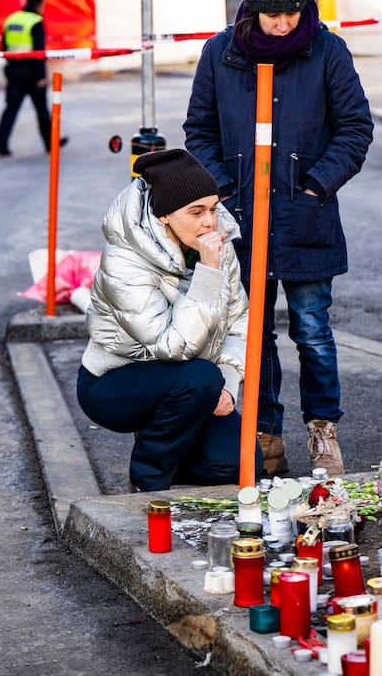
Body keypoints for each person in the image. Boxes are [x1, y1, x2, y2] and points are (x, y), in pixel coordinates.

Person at [184, 0, 373, 477]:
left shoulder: (327, 51)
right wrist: (222, 190)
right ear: (253, 9)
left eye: (293, 12)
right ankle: (265, 437)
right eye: (274, 14)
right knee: (255, 335)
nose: (285, 23)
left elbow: (355, 128)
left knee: (313, 330)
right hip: (243, 221)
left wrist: (317, 184)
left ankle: (322, 433)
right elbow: (200, 131)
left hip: (307, 218)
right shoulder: (221, 55)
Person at [76, 148, 259, 492]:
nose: (210, 221)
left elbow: (240, 322)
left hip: (191, 383)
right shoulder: (124, 262)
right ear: (164, 216)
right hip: (114, 382)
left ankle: (174, 440)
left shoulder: (216, 245)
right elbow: (172, 346)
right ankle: (147, 480)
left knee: (239, 464)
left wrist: (230, 387)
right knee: (200, 377)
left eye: (213, 208)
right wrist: (208, 271)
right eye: (196, 212)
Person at [0, 0, 67, 157]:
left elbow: (3, 47)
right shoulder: (35, 21)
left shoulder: (11, 19)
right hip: (32, 73)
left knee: (10, 110)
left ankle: (1, 145)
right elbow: (38, 51)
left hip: (13, 71)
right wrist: (41, 76)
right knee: (42, 110)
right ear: (38, 6)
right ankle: (50, 144)